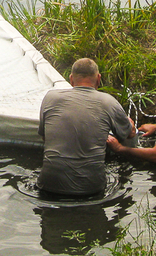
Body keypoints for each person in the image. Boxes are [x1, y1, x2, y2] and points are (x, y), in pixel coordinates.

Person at [37, 58, 135, 196]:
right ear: (98, 79)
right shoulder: (108, 101)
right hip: (90, 189)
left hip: (48, 184)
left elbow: (44, 137)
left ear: (71, 79)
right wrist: (130, 124)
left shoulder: (50, 97)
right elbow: (129, 134)